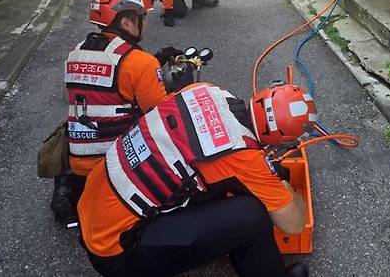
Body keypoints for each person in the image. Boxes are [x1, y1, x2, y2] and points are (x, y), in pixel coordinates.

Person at [77, 81, 314, 277]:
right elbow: (292, 224)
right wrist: (283, 186)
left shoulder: (205, 90)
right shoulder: (245, 157)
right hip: (117, 252)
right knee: (252, 215)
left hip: (92, 205)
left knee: (204, 176)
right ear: (282, 142)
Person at [51, 0, 171, 223]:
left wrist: (154, 62)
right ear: (127, 23)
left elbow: (101, 86)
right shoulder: (141, 63)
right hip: (115, 163)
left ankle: (66, 186)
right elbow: (159, 113)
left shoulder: (75, 52)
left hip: (78, 155)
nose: (144, 23)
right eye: (142, 17)